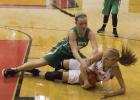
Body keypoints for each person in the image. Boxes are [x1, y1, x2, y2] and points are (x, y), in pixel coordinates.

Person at [2, 6, 98, 88]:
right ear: (76, 23)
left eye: (86, 23)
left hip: (72, 53)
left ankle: (58, 71)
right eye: (81, 24)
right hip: (61, 50)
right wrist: (82, 62)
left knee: (88, 66)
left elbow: (95, 49)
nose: (84, 26)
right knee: (41, 62)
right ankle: (15, 70)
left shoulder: (90, 33)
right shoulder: (72, 32)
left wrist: (89, 59)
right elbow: (74, 51)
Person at [37, 46, 137, 98]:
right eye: (103, 56)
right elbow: (83, 65)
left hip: (89, 77)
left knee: (55, 75)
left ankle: (35, 72)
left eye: (105, 58)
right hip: (85, 68)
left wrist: (110, 94)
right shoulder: (102, 55)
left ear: (113, 61)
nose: (103, 57)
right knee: (59, 63)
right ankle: (38, 63)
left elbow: (123, 89)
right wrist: (86, 81)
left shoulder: (115, 70)